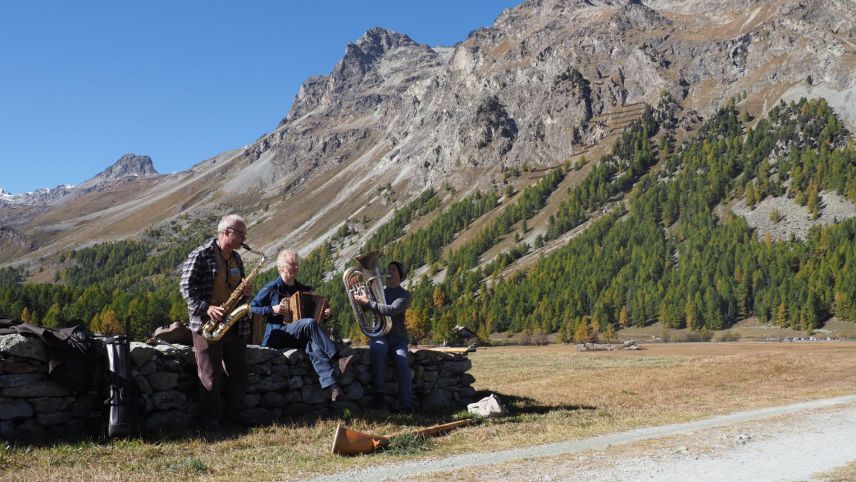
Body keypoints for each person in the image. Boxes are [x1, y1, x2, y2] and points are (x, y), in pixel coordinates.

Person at [179, 214, 252, 431]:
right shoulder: (200, 255)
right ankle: (211, 420)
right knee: (209, 374)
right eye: (241, 233)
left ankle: (234, 413)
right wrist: (206, 307)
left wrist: (245, 293)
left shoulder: (237, 258)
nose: (244, 238)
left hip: (233, 323)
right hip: (207, 325)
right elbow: (186, 288)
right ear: (227, 232)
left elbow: (238, 289)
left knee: (239, 372)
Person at [250, 249, 353, 401]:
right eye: (292, 265)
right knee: (309, 324)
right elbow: (252, 307)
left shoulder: (304, 290)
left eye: (297, 265)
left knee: (314, 345)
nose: (296, 268)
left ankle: (333, 387)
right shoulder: (271, 289)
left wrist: (326, 314)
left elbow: (317, 314)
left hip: (298, 336)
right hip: (279, 334)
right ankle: (338, 357)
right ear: (281, 267)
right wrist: (273, 309)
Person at [353, 261, 413, 412]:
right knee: (378, 351)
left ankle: (406, 405)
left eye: (393, 270)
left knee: (402, 362)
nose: (389, 272)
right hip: (380, 335)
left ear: (400, 275)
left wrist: (369, 301)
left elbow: (391, 310)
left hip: (398, 338)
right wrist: (360, 299)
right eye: (388, 269)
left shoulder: (405, 295)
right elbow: (367, 309)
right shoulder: (378, 291)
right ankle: (379, 398)